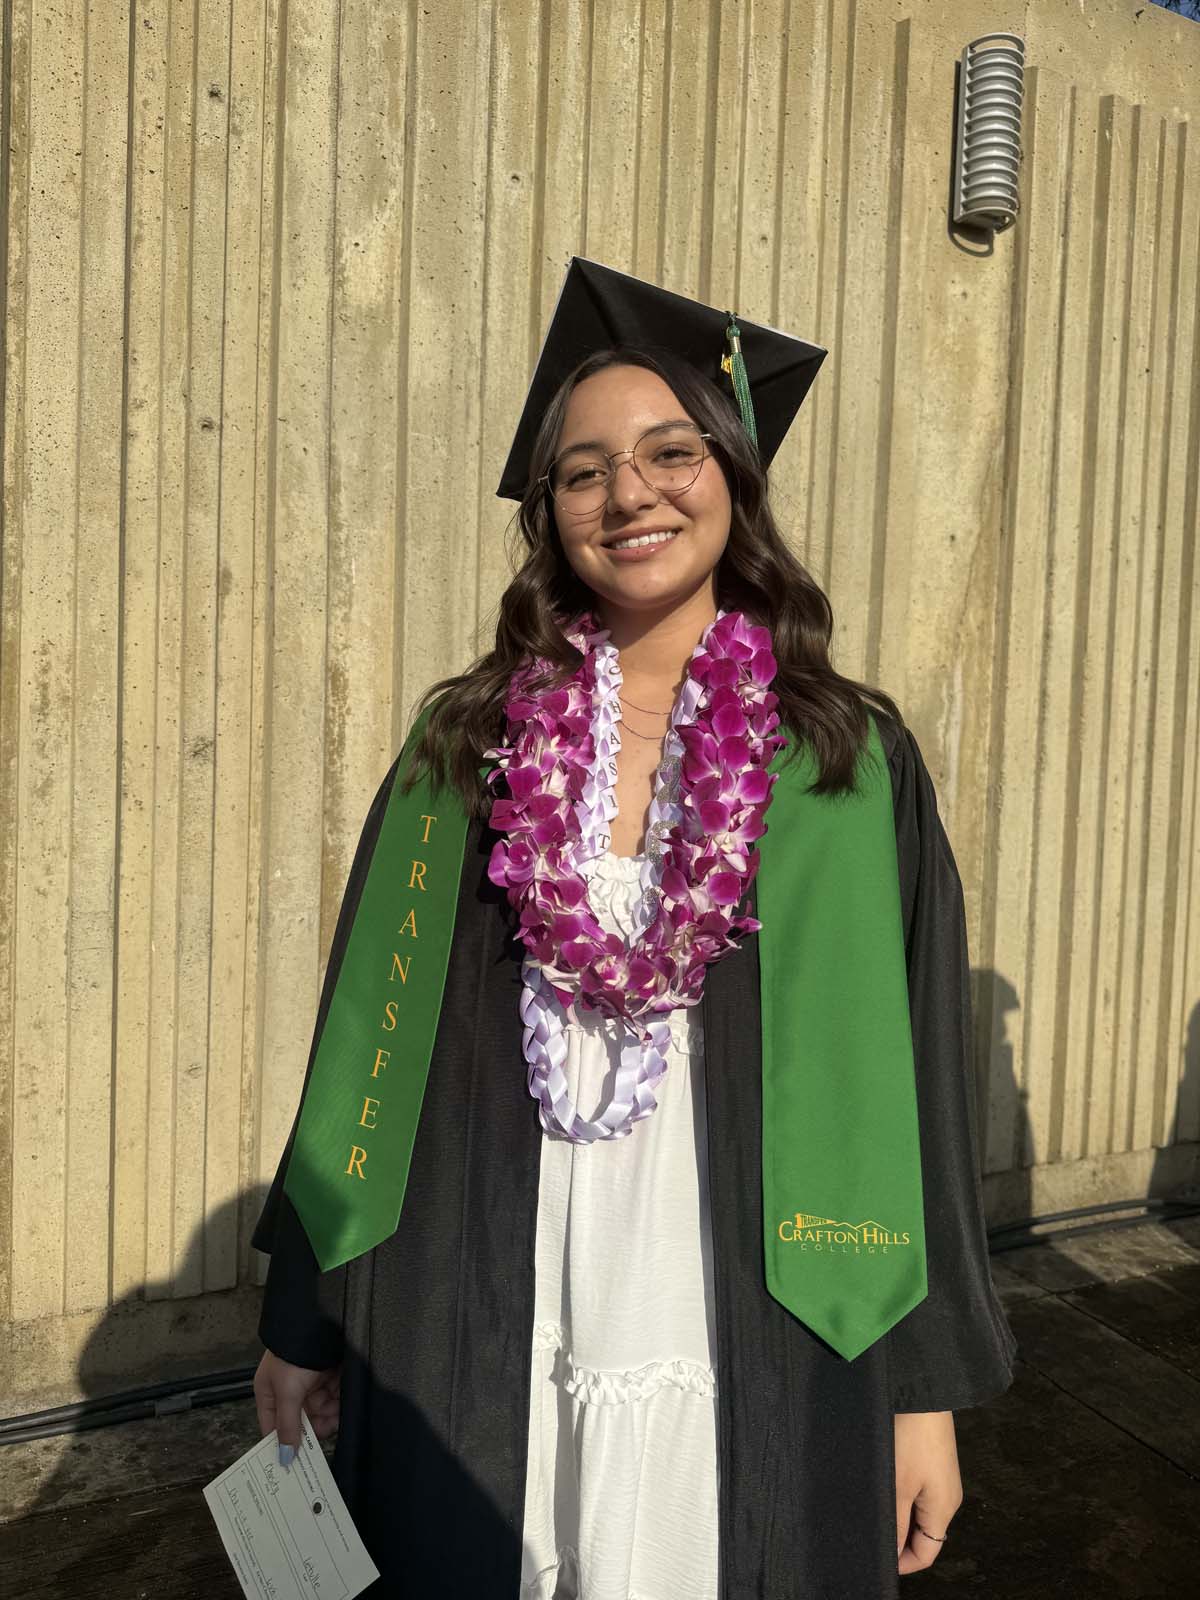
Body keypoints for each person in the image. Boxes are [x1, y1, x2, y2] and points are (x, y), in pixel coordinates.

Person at [251, 258, 1017, 1599]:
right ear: (549, 513)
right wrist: (305, 1322)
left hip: (754, 1299)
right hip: (493, 1280)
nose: (630, 495)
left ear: (734, 475)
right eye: (584, 472)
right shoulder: (468, 749)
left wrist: (922, 1392)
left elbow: (915, 1094)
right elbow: (365, 1051)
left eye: (671, 452)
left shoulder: (843, 762)